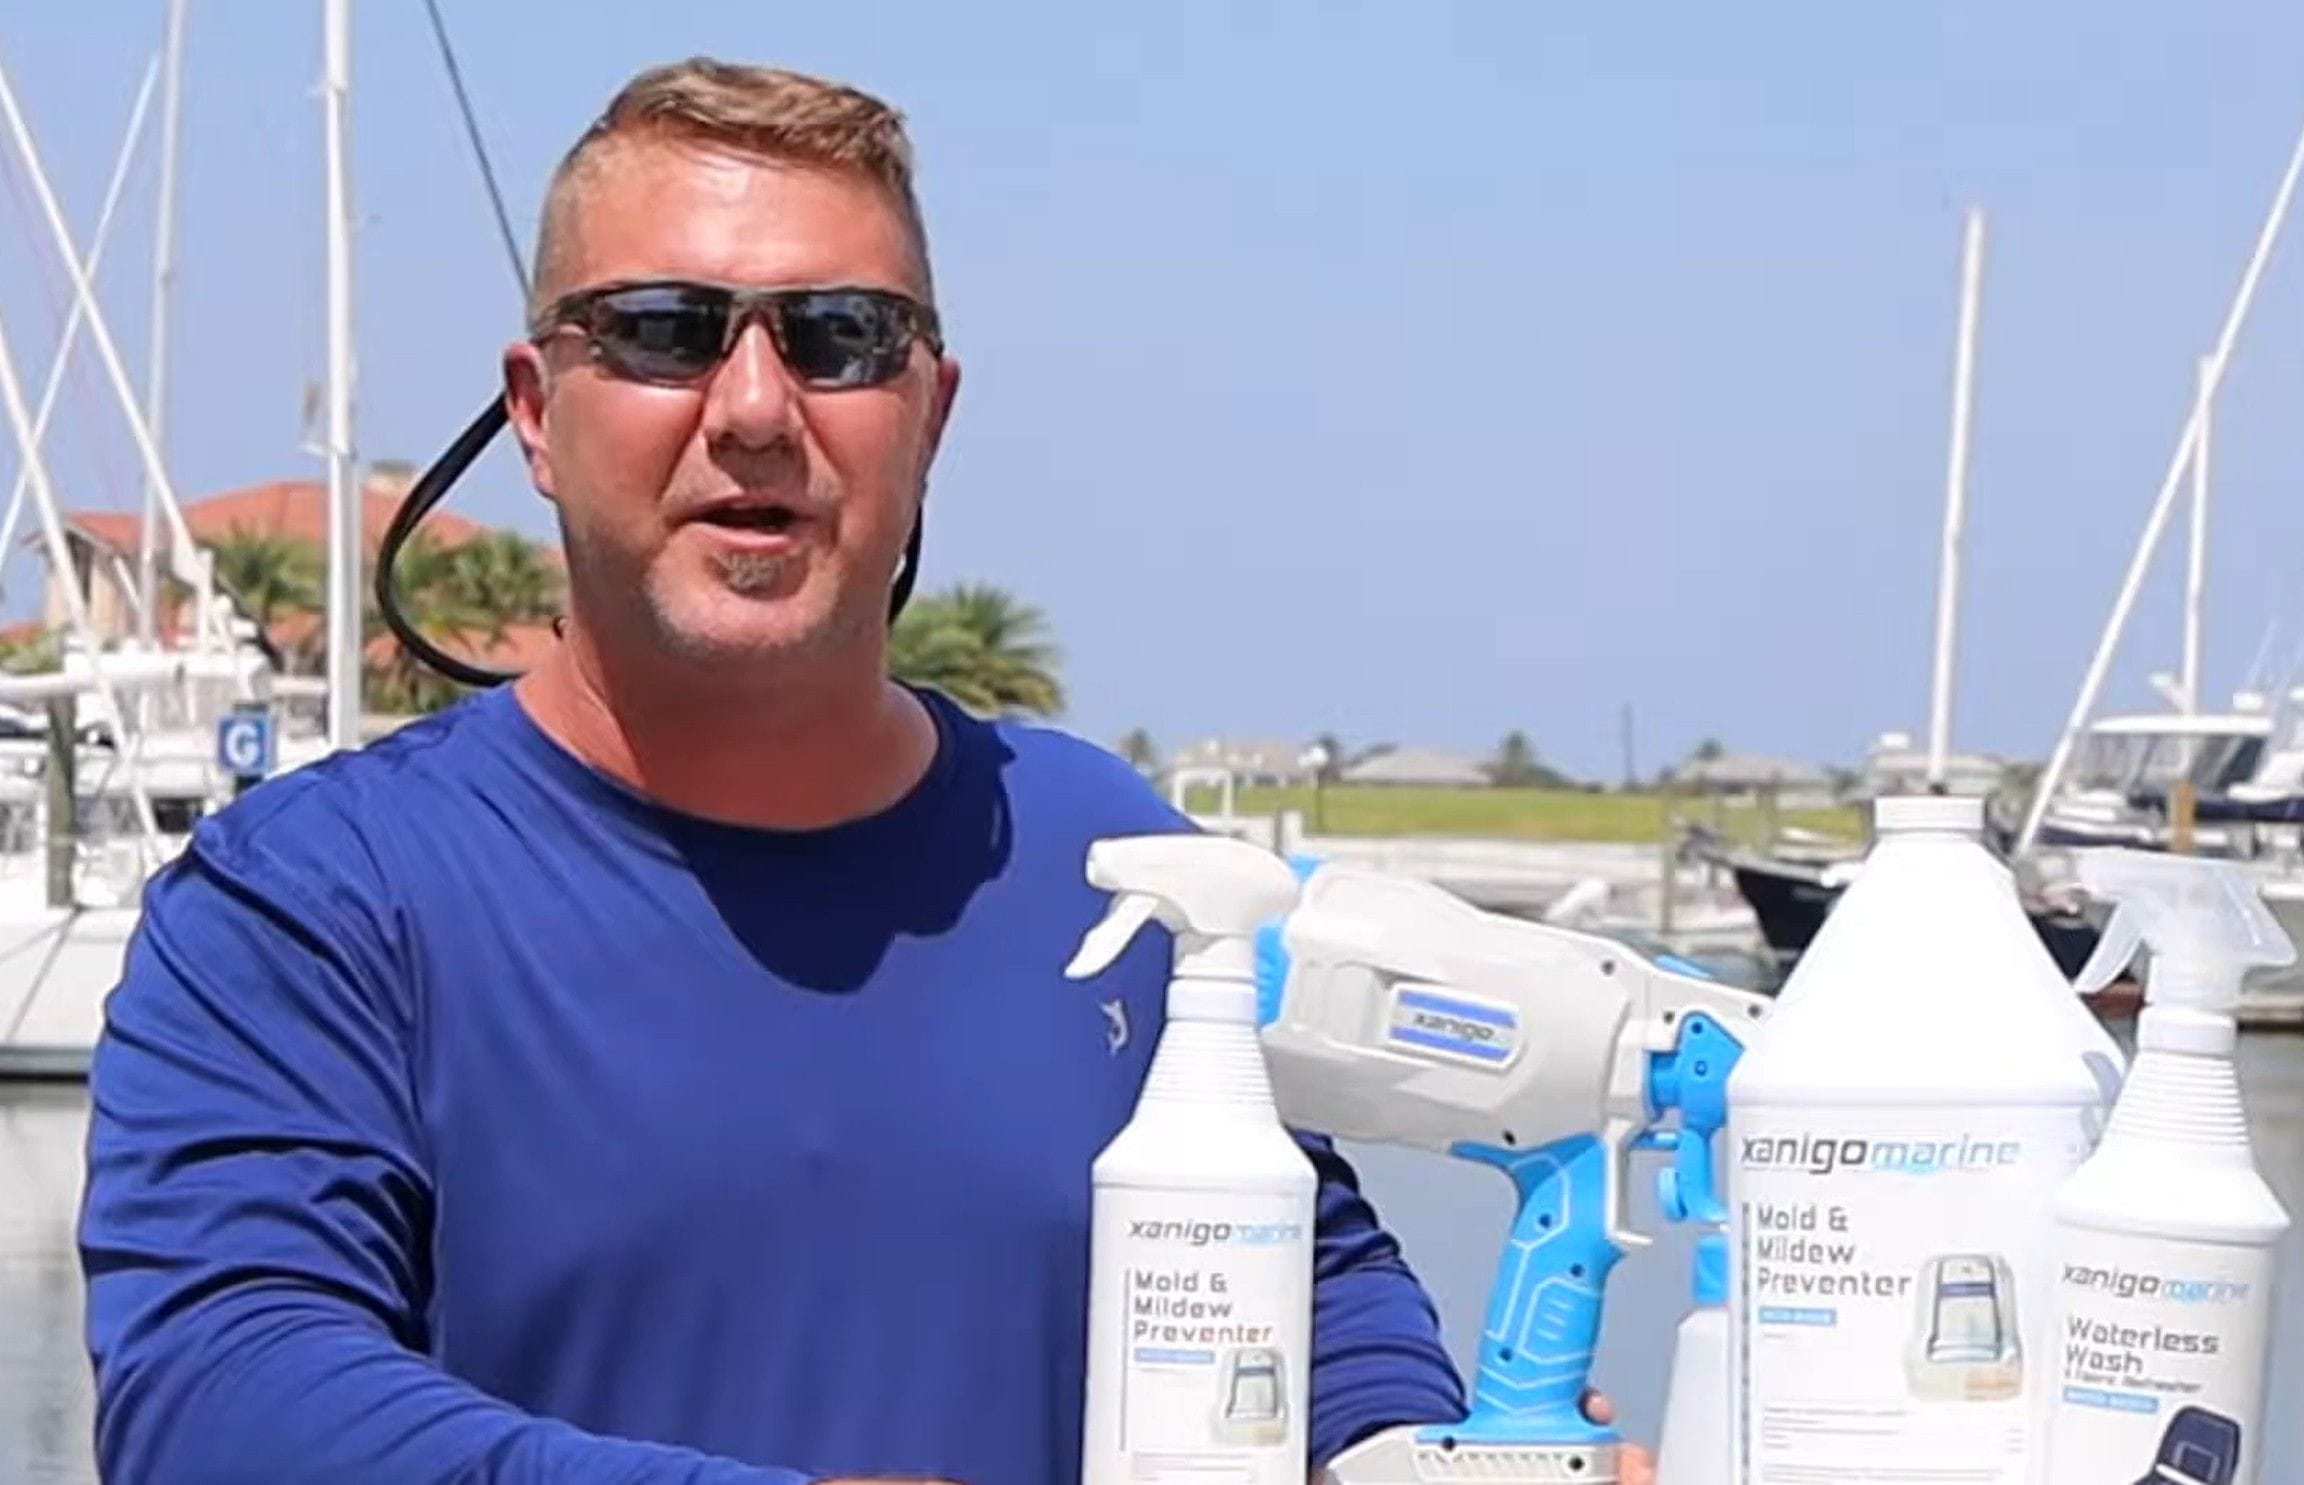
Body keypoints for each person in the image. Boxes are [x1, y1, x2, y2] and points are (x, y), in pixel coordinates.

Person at [75, 56, 1543, 1485]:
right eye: (663, 331)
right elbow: (220, 1397)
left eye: (841, 337)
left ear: (931, 413)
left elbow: (1314, 1300)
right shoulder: (309, 902)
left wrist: (1423, 1454)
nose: (756, 409)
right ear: (534, 411)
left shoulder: (1115, 863)